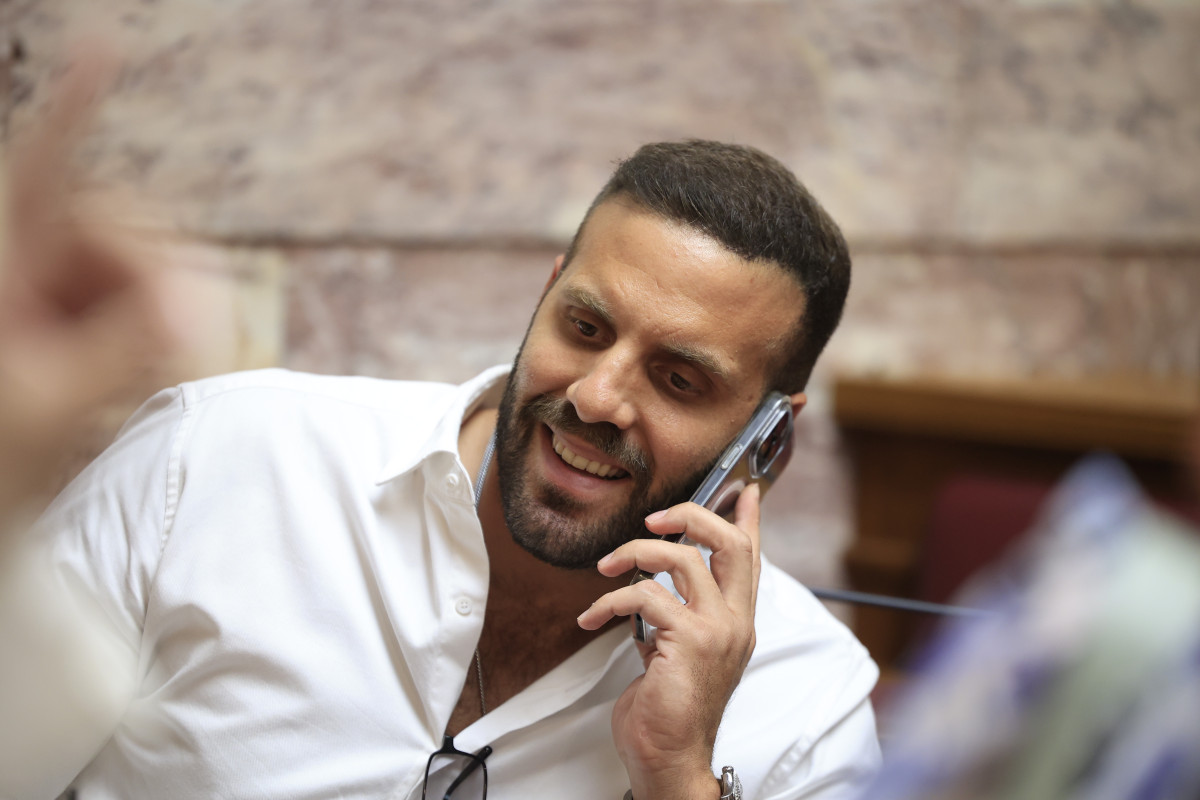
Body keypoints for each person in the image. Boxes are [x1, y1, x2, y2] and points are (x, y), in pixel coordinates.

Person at [16, 132, 879, 798]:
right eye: (584, 328)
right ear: (547, 293)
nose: (595, 397)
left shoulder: (807, 701)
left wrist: (678, 776)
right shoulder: (212, 459)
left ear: (769, 434)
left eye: (679, 380)